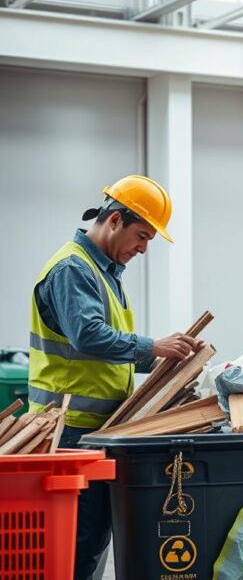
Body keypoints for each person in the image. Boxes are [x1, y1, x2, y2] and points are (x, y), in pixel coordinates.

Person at [27, 175, 203, 580]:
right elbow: (87, 336)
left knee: (90, 544)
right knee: (78, 545)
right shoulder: (74, 268)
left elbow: (106, 353)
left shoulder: (104, 271)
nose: (143, 248)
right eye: (141, 236)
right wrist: (152, 346)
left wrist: (164, 360)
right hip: (68, 430)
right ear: (115, 220)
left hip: (95, 429)